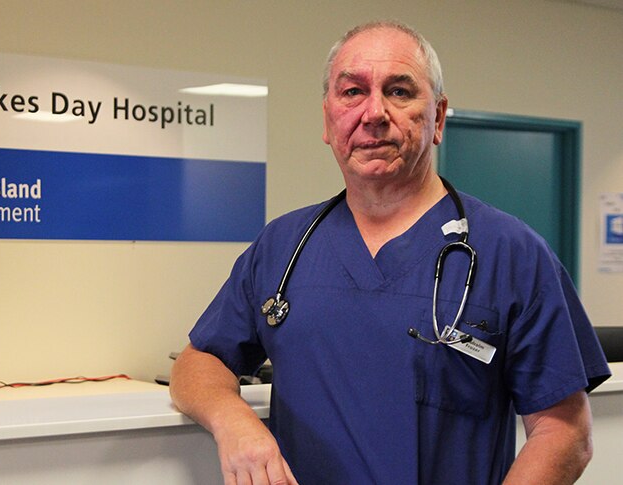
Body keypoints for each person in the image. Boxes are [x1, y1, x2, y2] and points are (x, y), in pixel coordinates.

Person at [169, 20, 611, 485]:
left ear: (437, 118)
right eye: (352, 92)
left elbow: (564, 432)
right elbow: (199, 362)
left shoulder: (513, 253)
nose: (374, 112)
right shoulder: (281, 246)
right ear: (328, 119)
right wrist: (234, 421)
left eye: (399, 91)